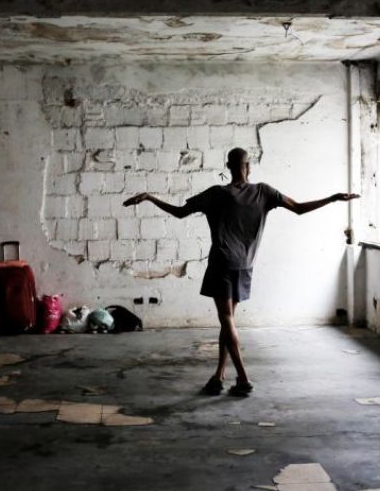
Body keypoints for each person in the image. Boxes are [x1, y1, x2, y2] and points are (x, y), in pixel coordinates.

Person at [123, 148, 359, 397]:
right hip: (245, 266)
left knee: (226, 320)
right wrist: (332, 198)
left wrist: (150, 197)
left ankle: (243, 379)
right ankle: (219, 376)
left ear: (228, 166)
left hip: (222, 264)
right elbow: (299, 208)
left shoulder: (216, 194)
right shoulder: (264, 192)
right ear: (249, 166)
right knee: (228, 321)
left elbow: (179, 212)